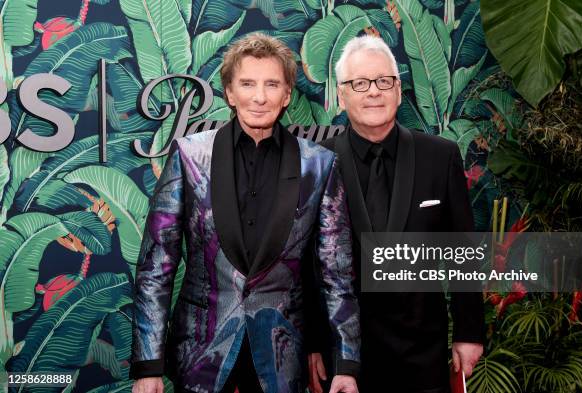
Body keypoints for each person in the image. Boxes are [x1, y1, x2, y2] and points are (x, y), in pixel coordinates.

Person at [130, 33, 360, 393]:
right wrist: (148, 366)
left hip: (281, 359)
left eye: (272, 84)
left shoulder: (318, 164)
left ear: (286, 95)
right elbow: (156, 267)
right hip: (200, 354)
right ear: (229, 92)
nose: (259, 96)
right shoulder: (191, 156)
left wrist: (346, 363)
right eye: (247, 83)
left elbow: (337, 273)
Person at [307, 35, 484, 393]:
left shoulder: (440, 156)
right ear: (342, 96)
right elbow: (307, 265)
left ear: (398, 90)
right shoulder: (317, 162)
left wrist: (468, 332)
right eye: (360, 83)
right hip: (345, 356)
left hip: (422, 352)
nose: (373, 91)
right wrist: (312, 343)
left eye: (383, 81)